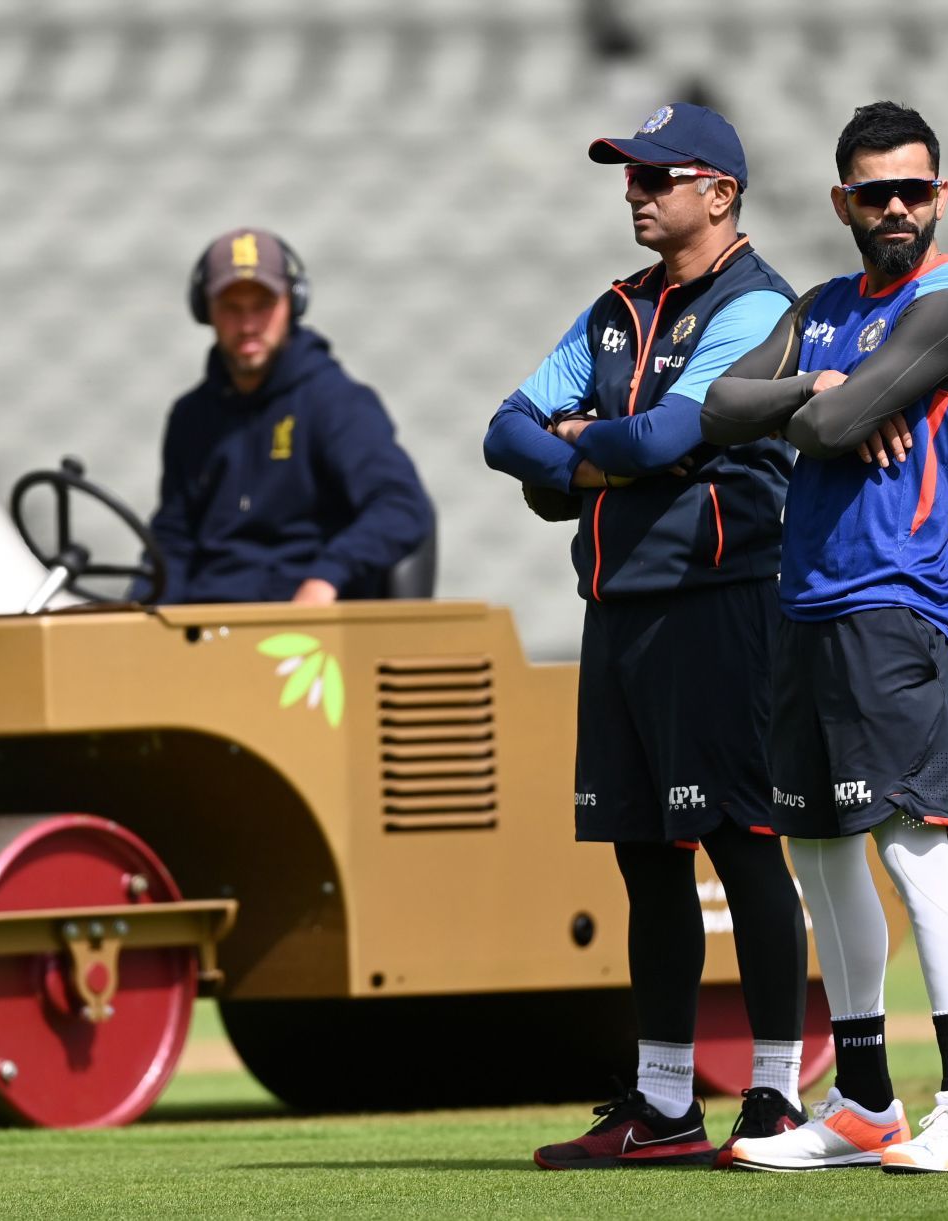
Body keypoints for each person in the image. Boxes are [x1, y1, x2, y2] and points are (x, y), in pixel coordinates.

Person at [483, 102, 811, 1170]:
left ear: (720, 193)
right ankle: (664, 1105)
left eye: (658, 177)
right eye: (630, 176)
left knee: (743, 843)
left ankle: (774, 1095)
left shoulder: (762, 305)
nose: (636, 191)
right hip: (620, 603)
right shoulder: (616, 307)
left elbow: (680, 429)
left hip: (721, 597)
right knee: (642, 855)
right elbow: (504, 429)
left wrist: (580, 447)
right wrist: (599, 454)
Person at [701, 101, 948, 1174]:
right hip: (804, 606)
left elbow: (820, 428)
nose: (895, 207)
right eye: (874, 192)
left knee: (908, 845)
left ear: (942, 196)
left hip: (893, 604)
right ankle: (868, 1103)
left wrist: (812, 407)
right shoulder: (825, 305)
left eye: (914, 190)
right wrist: (813, 390)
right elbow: (719, 406)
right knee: (820, 850)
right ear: (842, 202)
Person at [133, 228, 432, 606]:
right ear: (204, 310)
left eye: (262, 305)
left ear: (293, 303)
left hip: (301, 638)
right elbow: (173, 541)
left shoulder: (336, 403)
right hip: (204, 630)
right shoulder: (190, 417)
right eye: (231, 307)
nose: (248, 325)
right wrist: (138, 613)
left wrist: (325, 578)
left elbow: (402, 507)